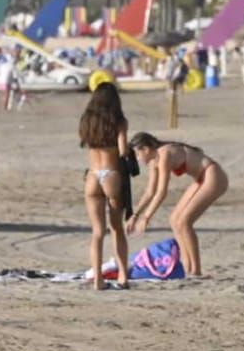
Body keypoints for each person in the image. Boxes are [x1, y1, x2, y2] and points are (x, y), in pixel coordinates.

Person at [127, 132, 226, 278]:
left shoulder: (164, 154)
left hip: (213, 175)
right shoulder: (155, 160)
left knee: (184, 222)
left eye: (137, 154)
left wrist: (146, 217)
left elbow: (161, 192)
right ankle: (188, 268)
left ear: (146, 149)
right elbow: (150, 192)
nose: (137, 158)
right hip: (200, 179)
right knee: (174, 220)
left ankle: (196, 271)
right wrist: (135, 216)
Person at [78, 82, 131, 291]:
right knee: (117, 229)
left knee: (97, 232)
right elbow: (123, 150)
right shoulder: (119, 121)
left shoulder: (87, 121)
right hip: (111, 174)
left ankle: (98, 280)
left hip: (92, 175)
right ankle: (123, 277)